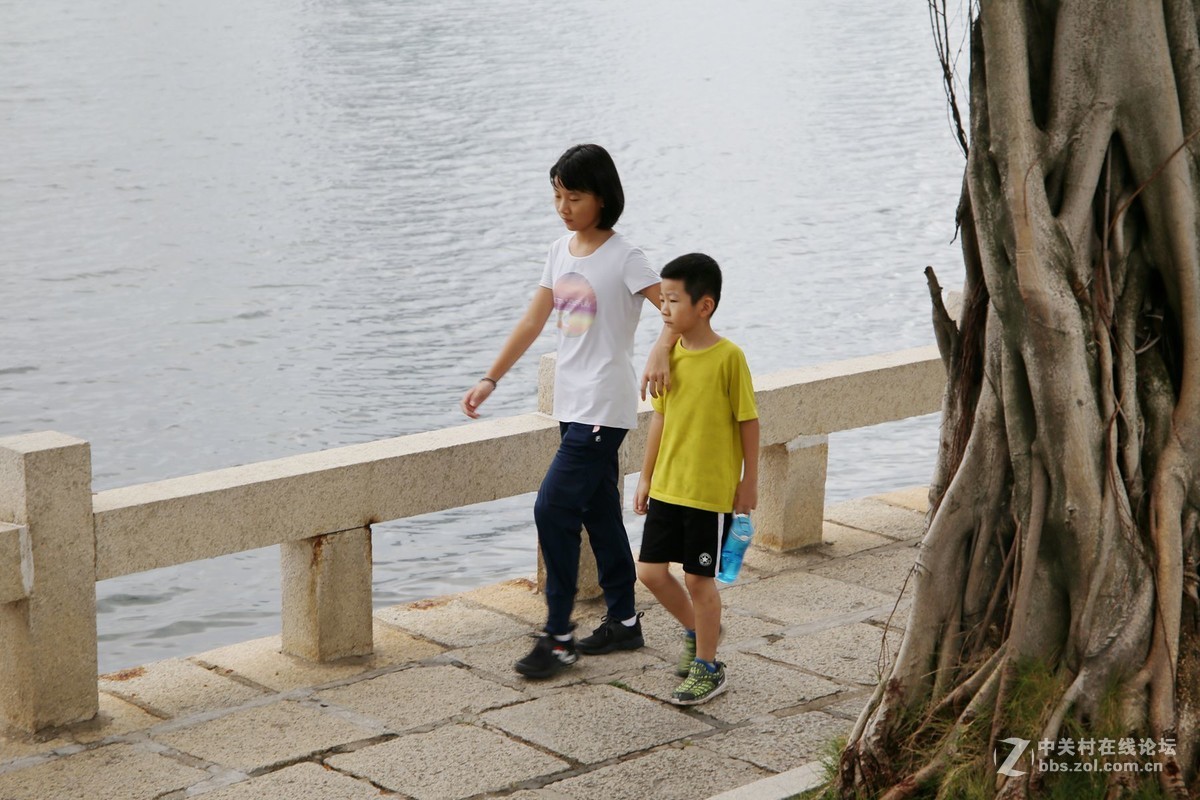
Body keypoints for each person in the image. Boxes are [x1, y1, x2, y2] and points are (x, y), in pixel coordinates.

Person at [460, 143, 673, 679]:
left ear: (602, 197)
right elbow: (533, 323)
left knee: (551, 509)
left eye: (573, 196)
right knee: (599, 514)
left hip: (605, 402)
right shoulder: (559, 251)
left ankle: (558, 637)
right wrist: (491, 379)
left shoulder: (625, 255)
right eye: (557, 195)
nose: (563, 206)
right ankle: (624, 620)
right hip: (572, 405)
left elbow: (671, 305)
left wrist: (661, 347)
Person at [634, 252, 759, 705]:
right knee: (649, 572)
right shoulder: (671, 360)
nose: (663, 311)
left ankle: (708, 666)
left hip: (708, 494)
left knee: (698, 581)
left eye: (671, 301)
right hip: (669, 485)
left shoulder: (729, 358)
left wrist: (749, 483)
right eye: (661, 301)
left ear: (703, 306)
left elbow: (749, 422)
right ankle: (697, 629)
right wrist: (646, 478)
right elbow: (659, 421)